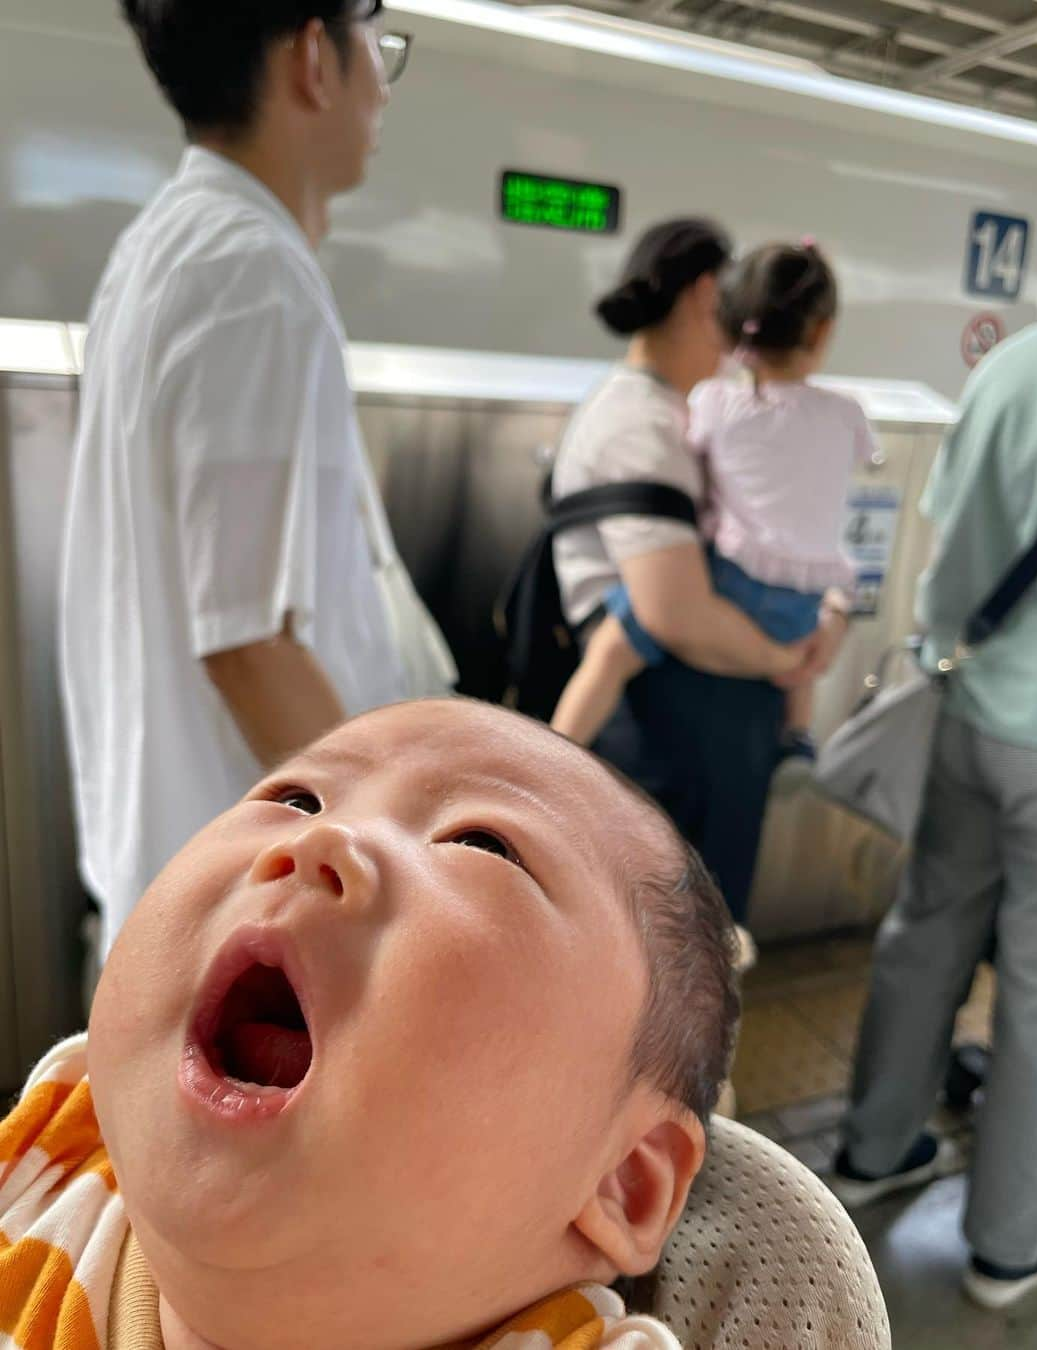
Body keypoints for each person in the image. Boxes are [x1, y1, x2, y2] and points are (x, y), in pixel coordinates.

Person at [0, 698, 740, 1348]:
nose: (322, 842)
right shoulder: (48, 1156)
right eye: (296, 798)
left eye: (480, 844)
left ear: (624, 1178)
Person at [60, 1, 450, 961]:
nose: (384, 85)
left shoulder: (169, 245)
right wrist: (396, 849)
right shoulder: (249, 269)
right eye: (376, 46)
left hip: (188, 857)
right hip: (247, 885)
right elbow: (246, 641)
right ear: (314, 57)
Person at [831, 176, 1037, 1311]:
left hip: (970, 713)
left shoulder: (1018, 365)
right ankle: (1008, 1247)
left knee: (924, 930)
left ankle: (874, 1152)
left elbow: (947, 569)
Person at [552, 219, 849, 925]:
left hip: (703, 732)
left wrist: (829, 611)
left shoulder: (696, 412)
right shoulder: (640, 424)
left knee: (703, 941)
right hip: (660, 738)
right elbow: (674, 614)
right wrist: (791, 656)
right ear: (704, 294)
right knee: (663, 958)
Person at [553, 241, 873, 760]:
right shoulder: (844, 412)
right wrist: (796, 654)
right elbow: (860, 457)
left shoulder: (708, 404)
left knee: (612, 652)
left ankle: (553, 756)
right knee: (796, 681)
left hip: (734, 582)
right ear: (821, 331)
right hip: (807, 594)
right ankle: (798, 739)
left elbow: (673, 613)